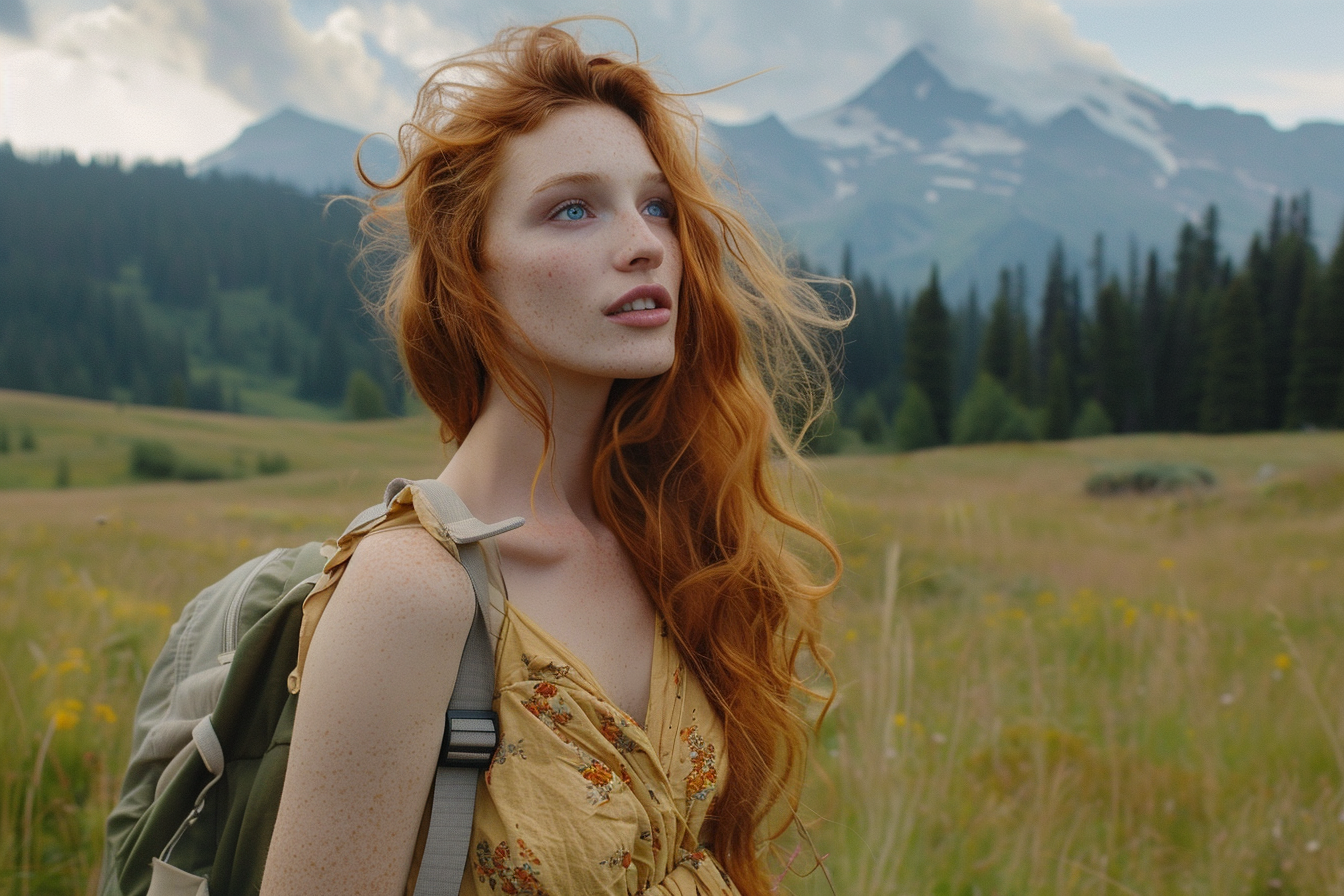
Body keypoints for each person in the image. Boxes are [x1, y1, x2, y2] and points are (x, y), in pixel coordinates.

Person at [261, 19, 843, 896]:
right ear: (472, 270)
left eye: (655, 204)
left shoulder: (667, 538)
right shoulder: (413, 592)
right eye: (572, 208)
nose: (647, 242)